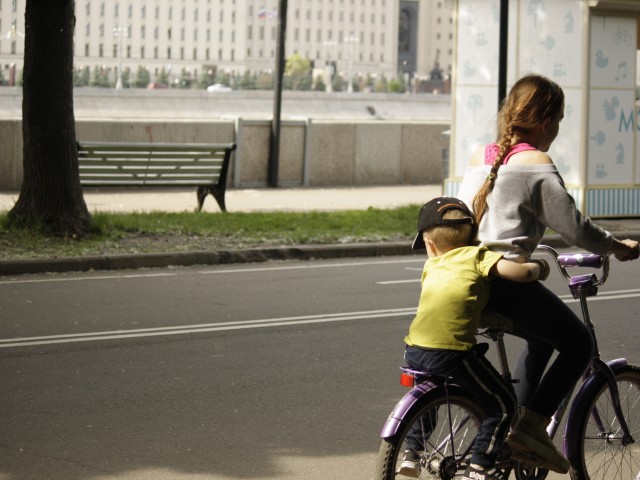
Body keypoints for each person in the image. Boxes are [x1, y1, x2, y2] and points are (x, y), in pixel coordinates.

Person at [456, 73, 640, 474]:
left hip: (469, 280)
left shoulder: (481, 156)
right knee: (576, 342)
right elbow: (573, 227)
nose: (556, 130)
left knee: (541, 340)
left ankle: (514, 424)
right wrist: (617, 247)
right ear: (545, 121)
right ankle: (530, 431)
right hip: (506, 282)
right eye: (557, 120)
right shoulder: (534, 162)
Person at [400, 196, 551, 480]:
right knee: (503, 403)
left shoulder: (431, 266)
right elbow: (518, 272)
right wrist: (539, 268)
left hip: (415, 349)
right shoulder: (476, 255)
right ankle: (482, 463)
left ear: (429, 246)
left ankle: (411, 452)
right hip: (452, 352)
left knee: (431, 393)